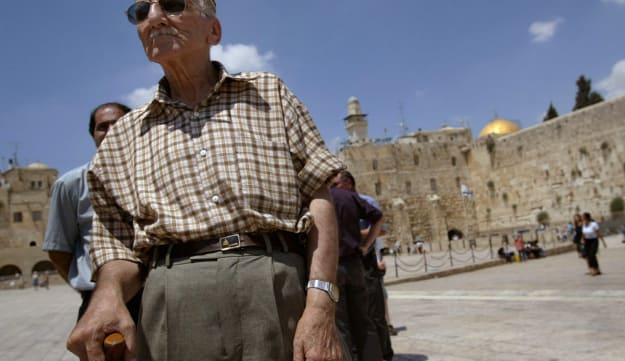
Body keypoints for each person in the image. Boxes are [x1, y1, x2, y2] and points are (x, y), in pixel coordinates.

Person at [67, 1, 345, 360]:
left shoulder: (268, 95)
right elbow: (117, 245)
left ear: (213, 30)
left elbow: (318, 197)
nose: (153, 17)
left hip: (277, 288)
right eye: (140, 12)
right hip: (173, 302)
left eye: (172, 4)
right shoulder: (122, 137)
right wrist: (108, 295)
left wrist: (321, 306)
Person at [42, 102, 142, 321]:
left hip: (156, 296)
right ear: (93, 135)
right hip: (102, 299)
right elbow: (59, 250)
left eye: (118, 124)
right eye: (102, 127)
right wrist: (92, 289)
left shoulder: (152, 178)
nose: (110, 131)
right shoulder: (70, 185)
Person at [334, 170, 394, 360]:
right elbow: (378, 218)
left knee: (341, 323)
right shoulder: (350, 198)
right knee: (364, 319)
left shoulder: (323, 198)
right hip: (355, 263)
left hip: (334, 265)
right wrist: (364, 245)